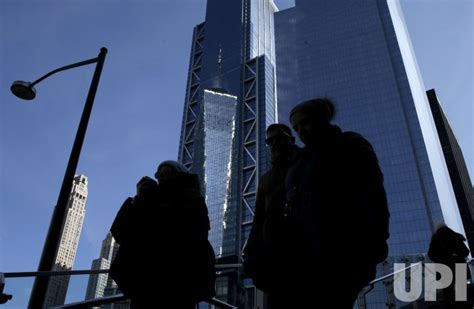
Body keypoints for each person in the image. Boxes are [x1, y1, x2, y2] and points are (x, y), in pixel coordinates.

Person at [283, 98, 390, 308]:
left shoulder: (349, 144)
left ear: (321, 119)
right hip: (307, 257)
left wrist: (377, 239)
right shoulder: (299, 163)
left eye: (304, 123)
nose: (300, 131)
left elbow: (374, 192)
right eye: (296, 128)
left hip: (346, 251)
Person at [110, 160, 216, 308]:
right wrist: (138, 200)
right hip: (145, 283)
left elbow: (188, 234)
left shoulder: (192, 200)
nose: (161, 177)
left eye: (167, 173)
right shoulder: (145, 200)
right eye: (158, 174)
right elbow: (119, 232)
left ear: (180, 176)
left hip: (179, 285)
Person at [242, 124, 300, 300]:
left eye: (279, 137)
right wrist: (250, 252)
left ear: (290, 139)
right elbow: (259, 219)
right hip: (273, 260)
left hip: (305, 256)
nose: (275, 143)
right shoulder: (267, 179)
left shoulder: (308, 162)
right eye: (270, 140)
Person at [428, 224, 471, 306]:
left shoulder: (436, 238)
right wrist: (455, 254)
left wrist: (442, 258)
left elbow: (431, 255)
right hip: (459, 267)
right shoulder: (456, 236)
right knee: (462, 294)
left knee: (448, 294)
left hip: (444, 269)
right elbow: (466, 252)